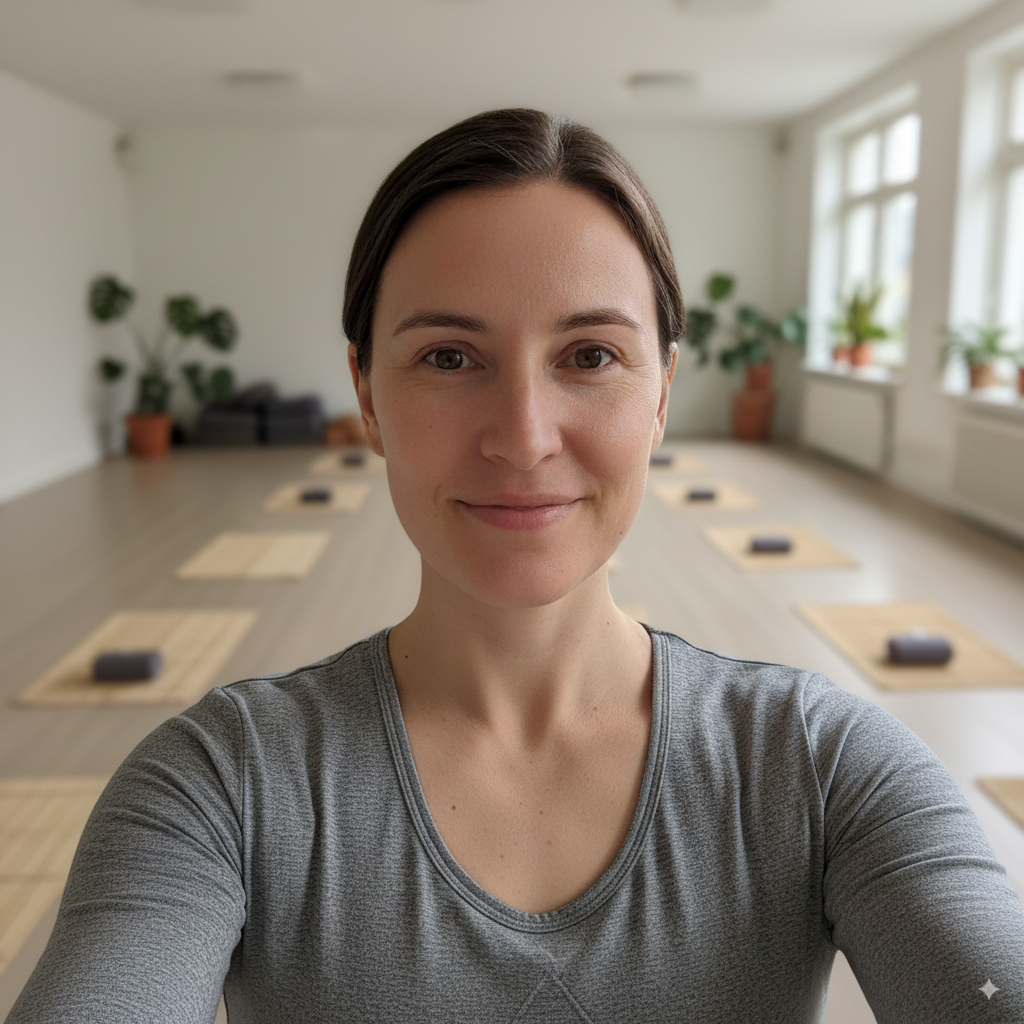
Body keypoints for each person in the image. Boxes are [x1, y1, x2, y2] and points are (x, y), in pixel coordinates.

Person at [7, 109, 1023, 1024]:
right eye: (449, 357)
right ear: (368, 394)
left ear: (663, 392)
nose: (524, 436)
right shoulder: (217, 787)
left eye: (590, 356)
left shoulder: (823, 765)